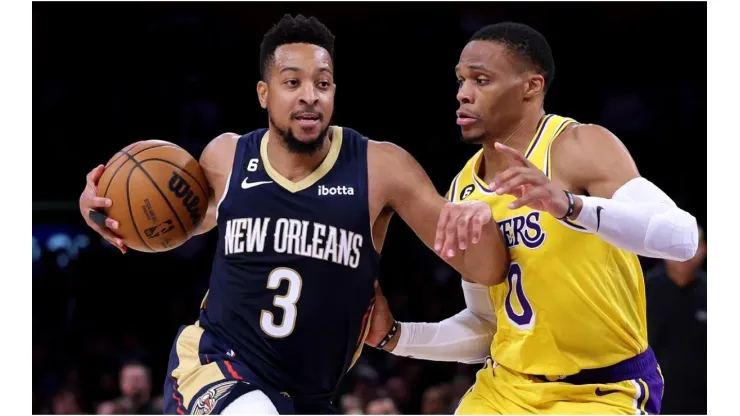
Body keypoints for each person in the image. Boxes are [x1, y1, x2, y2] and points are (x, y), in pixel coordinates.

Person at [77, 14, 509, 415]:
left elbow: (487, 269)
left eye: (323, 83)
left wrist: (479, 224)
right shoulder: (227, 157)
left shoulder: (381, 168)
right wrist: (101, 213)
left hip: (309, 395)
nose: (309, 95)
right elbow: (168, 226)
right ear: (264, 92)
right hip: (216, 363)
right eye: (292, 82)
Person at [365, 22, 699, 415]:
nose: (463, 94)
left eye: (481, 80)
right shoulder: (463, 190)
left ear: (531, 87)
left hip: (602, 390)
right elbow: (487, 326)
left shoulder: (577, 146)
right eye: (460, 80)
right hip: (504, 388)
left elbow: (682, 239)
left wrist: (571, 206)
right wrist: (395, 336)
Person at [645, 227, 707, 414]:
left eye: (691, 247)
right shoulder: (643, 290)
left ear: (704, 249)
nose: (684, 255)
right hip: (653, 399)